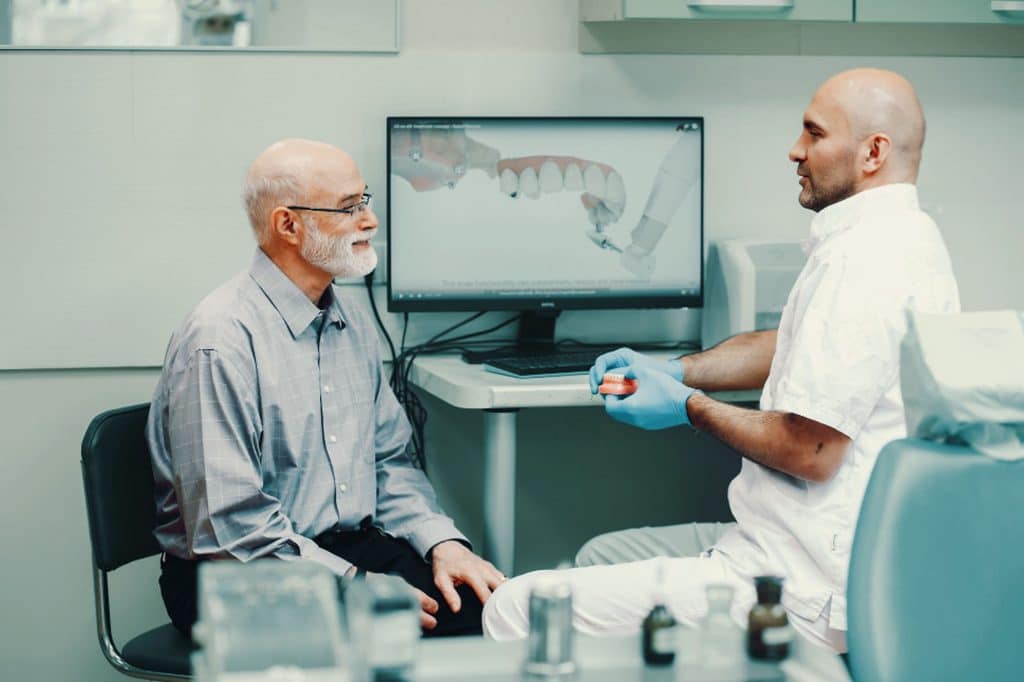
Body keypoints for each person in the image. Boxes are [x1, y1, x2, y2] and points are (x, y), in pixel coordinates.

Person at [481, 68, 960, 652]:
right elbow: (789, 345)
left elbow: (809, 449)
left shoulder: (864, 261)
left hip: (801, 586)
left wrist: (691, 408)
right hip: (788, 543)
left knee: (515, 610)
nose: (795, 149)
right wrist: (678, 370)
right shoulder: (901, 234)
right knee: (597, 556)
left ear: (872, 153)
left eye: (813, 134)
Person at [147, 138, 504, 638]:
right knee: (412, 641)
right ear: (287, 226)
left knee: (489, 616)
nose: (370, 221)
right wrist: (355, 585)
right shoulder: (219, 339)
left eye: (366, 201)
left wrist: (442, 543)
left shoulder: (351, 322)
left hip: (345, 549)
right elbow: (229, 530)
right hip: (236, 575)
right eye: (347, 208)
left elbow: (389, 464)